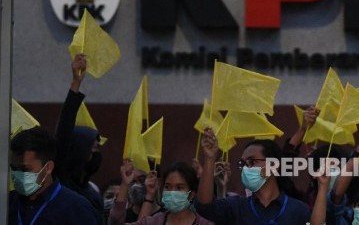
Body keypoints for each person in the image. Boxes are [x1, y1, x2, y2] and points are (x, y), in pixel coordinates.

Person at [196, 128, 311, 224]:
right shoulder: (236, 207)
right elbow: (204, 206)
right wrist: (210, 158)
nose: (246, 169)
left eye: (252, 162)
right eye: (242, 164)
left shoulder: (299, 211)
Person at [9, 127, 99, 224]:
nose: (18, 175)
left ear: (48, 167)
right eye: (14, 168)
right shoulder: (7, 202)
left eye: (25, 169)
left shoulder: (76, 208)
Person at [54, 53, 104, 220]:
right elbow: (63, 132)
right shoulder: (60, 182)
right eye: (93, 148)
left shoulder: (93, 194)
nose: (96, 155)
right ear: (79, 150)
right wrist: (75, 84)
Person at [109, 160, 212, 224]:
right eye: (167, 187)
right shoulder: (152, 222)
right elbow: (115, 221)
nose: (172, 192)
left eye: (179, 187)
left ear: (192, 194)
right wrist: (125, 184)